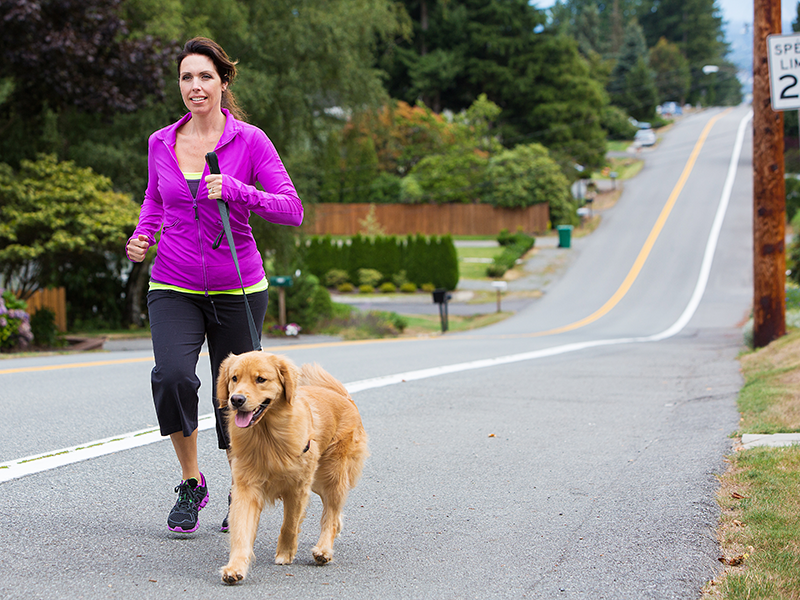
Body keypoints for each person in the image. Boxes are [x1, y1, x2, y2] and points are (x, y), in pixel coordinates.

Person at [125, 37, 303, 534]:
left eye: (205, 77)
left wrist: (240, 191)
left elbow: (293, 208)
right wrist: (142, 237)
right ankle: (191, 481)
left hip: (239, 288)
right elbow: (155, 203)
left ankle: (239, 484)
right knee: (173, 377)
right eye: (186, 77)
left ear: (224, 83)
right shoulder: (161, 141)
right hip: (173, 284)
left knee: (239, 394)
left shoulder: (250, 141)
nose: (195, 86)